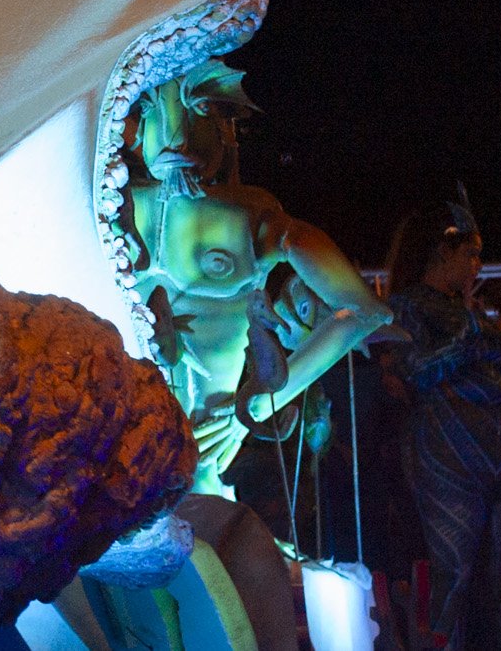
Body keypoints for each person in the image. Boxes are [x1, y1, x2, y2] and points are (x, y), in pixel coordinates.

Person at [120, 60, 395, 495]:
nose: (174, 130)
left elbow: (363, 311)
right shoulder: (113, 203)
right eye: (155, 104)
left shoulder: (253, 217)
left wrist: (263, 403)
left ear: (224, 129)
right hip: (125, 452)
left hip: (204, 459)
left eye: (199, 107)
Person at [384, 193, 501, 651]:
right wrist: (467, 337)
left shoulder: (469, 315)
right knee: (455, 575)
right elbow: (415, 369)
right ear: (443, 253)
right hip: (448, 455)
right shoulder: (410, 305)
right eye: (471, 254)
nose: (478, 265)